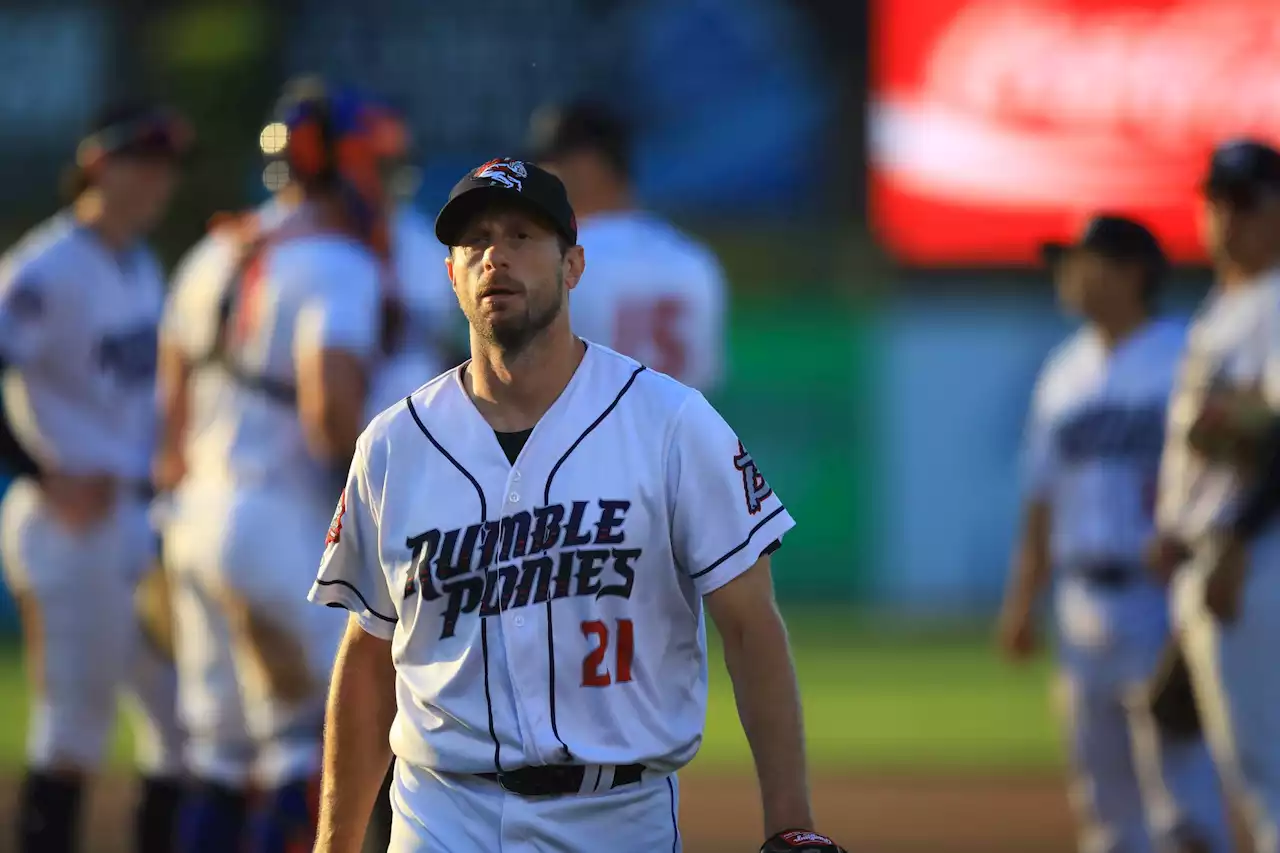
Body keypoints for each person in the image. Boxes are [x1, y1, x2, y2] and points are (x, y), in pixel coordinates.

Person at [307, 157, 845, 853]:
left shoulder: (670, 424)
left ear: (573, 265)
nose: (495, 255)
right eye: (474, 241)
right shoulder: (392, 444)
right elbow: (369, 655)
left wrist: (790, 821)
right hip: (442, 814)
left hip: (617, 818)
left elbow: (751, 628)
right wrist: (333, 843)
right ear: (450, 275)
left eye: (523, 235)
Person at [153, 79, 405, 853]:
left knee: (221, 757)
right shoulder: (337, 263)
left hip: (194, 518)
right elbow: (329, 412)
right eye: (378, 163)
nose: (387, 183)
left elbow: (170, 405)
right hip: (275, 522)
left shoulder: (215, 250)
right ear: (344, 165)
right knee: (308, 743)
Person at [997, 214, 1230, 853]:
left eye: (1083, 260)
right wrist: (1023, 600)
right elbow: (1042, 497)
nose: (1067, 274)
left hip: (1163, 596)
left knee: (1182, 793)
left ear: (1132, 272)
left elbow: (1222, 473)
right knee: (1102, 803)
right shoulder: (1062, 370)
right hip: (1079, 603)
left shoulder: (1186, 354)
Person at [0, 102, 192, 853]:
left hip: (140, 520)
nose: (155, 183)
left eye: (164, 169)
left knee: (180, 726)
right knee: (72, 732)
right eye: (140, 165)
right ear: (97, 166)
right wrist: (41, 473)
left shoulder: (140, 262)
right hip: (70, 525)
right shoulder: (44, 266)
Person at [1152, 139, 1280, 853]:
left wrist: (1233, 538)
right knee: (1174, 718)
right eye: (1216, 201)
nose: (1227, 217)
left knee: (1267, 775)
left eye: (1245, 202)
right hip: (1214, 552)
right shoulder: (1225, 305)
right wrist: (1177, 527)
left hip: (1254, 554)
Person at [526, 99, 727, 394]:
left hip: (587, 435)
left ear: (586, 168)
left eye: (549, 166)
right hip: (681, 436)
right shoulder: (694, 260)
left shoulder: (558, 262)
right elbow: (707, 376)